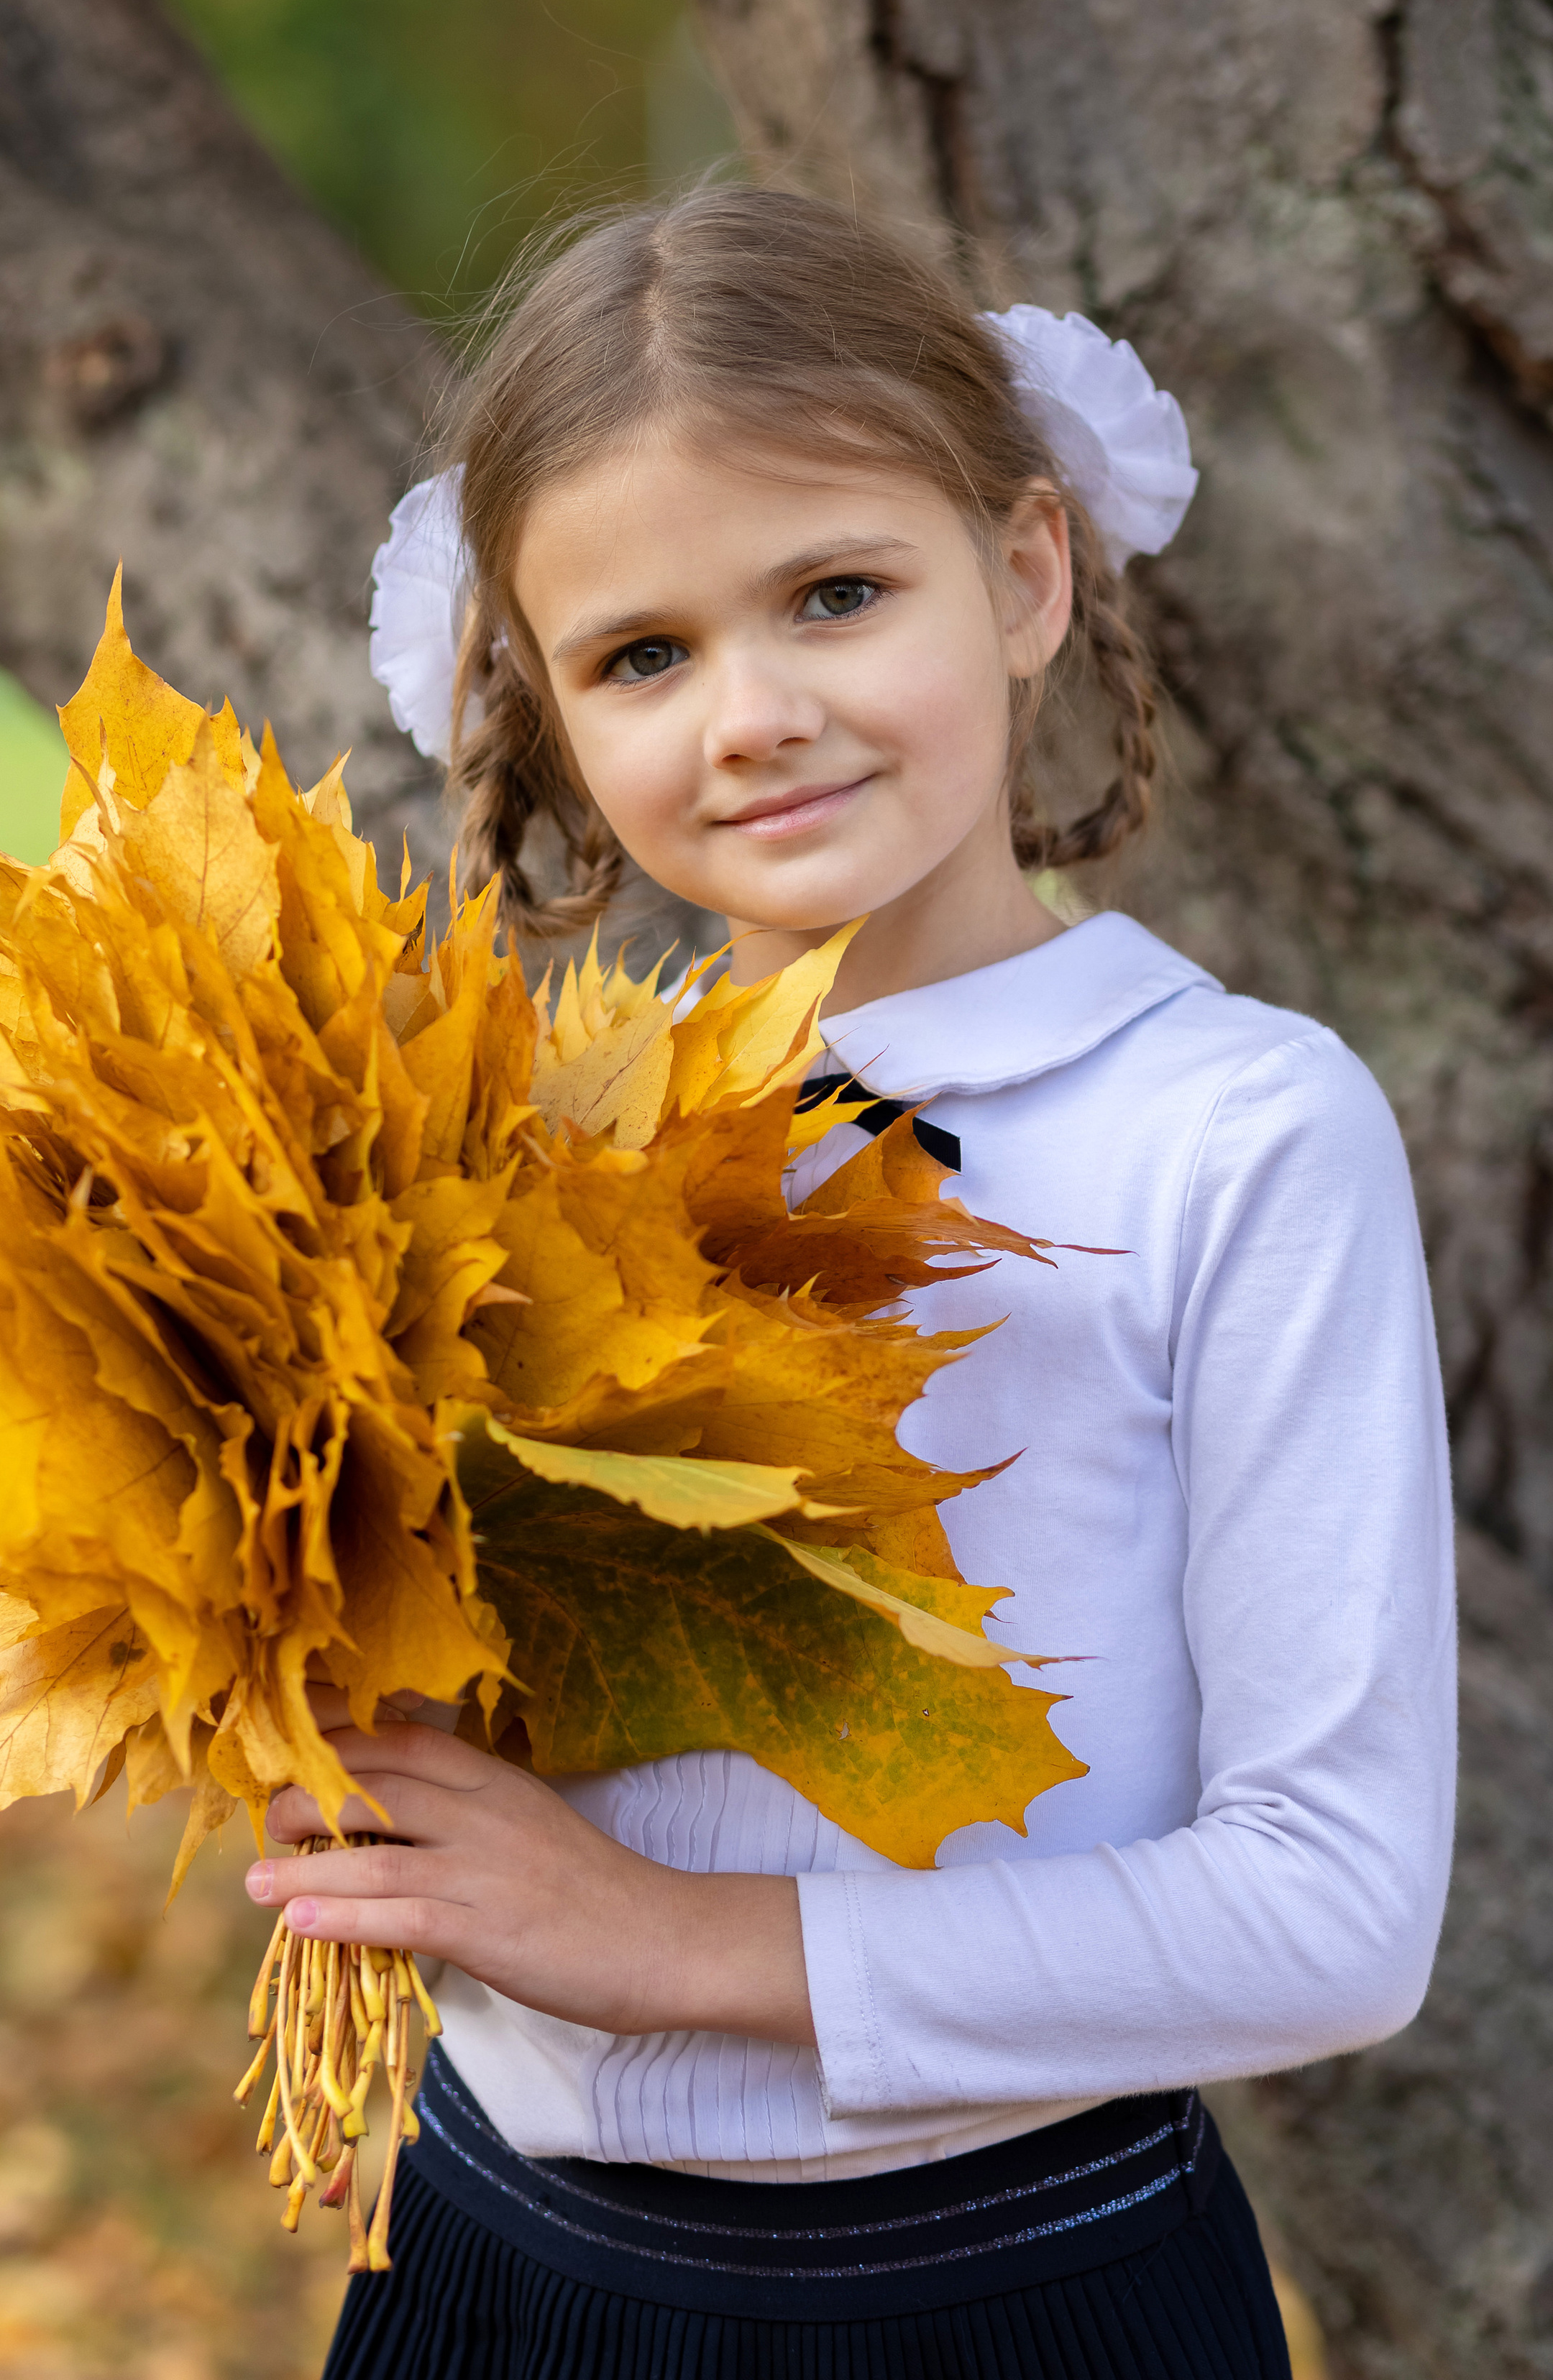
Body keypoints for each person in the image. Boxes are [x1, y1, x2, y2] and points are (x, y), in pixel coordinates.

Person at [244, 186, 1456, 2379]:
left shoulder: (1234, 1135)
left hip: (1010, 2293)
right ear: (541, 705)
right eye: (644, 655)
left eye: (834, 592)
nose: (755, 713)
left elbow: (1335, 1913)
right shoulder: (501, 1137)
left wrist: (671, 1941)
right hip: (491, 2270)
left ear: (1022, 571)